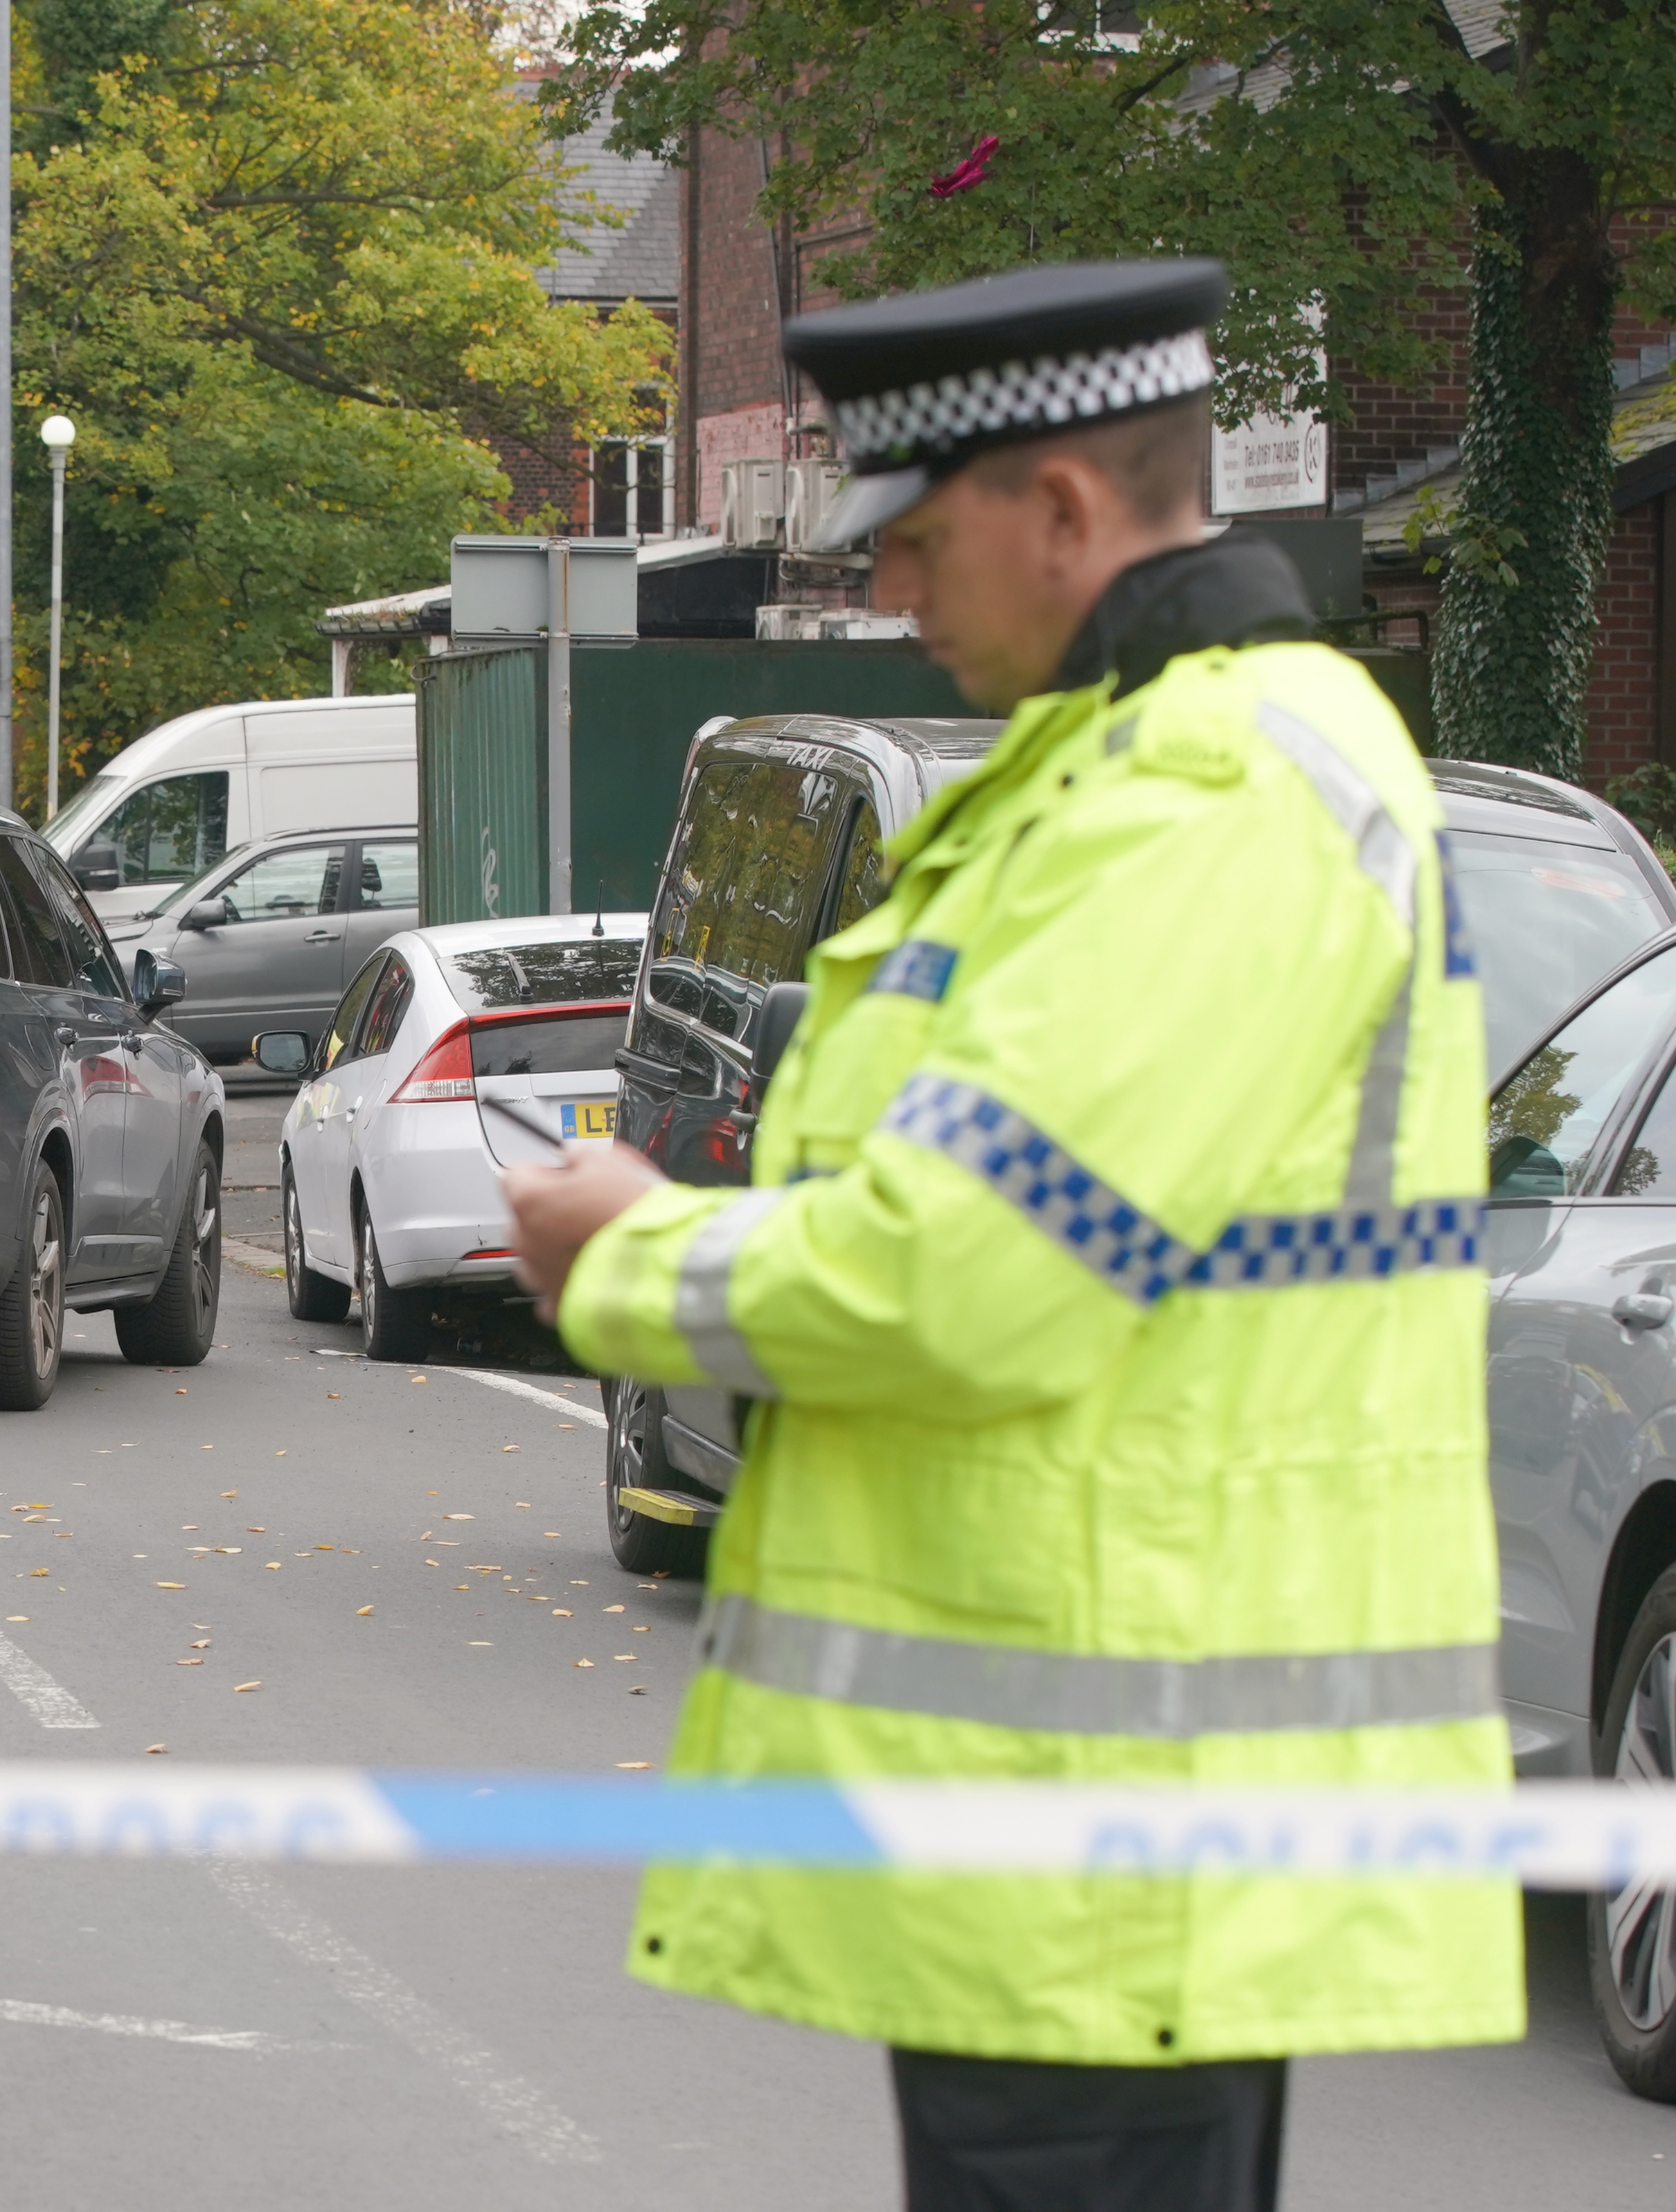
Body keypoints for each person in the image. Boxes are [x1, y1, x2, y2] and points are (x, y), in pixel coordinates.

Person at [503, 260, 1519, 2211]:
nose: (890, 588)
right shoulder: (1114, 772)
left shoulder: (1204, 793)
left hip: (1111, 1840)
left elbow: (972, 1268)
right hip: (1082, 1827)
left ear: (1062, 506)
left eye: (916, 533)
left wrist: (631, 1257)